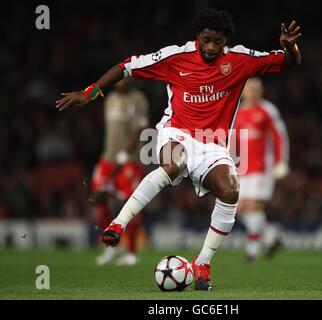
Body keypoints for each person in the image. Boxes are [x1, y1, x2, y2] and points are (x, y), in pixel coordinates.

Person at [56, 8, 301, 290]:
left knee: (231, 190)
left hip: (214, 144)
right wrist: (90, 93)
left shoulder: (240, 59)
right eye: (206, 39)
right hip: (176, 131)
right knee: (175, 162)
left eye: (217, 42)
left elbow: (288, 63)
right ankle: (118, 224)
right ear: (198, 36)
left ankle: (203, 263)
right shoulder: (175, 57)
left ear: (226, 41)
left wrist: (290, 47)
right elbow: (126, 66)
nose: (211, 46)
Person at [91, 78, 149, 266]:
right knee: (99, 197)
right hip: (107, 158)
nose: (120, 82)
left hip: (129, 161)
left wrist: (123, 156)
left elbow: (138, 130)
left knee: (129, 204)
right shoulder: (110, 100)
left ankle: (131, 251)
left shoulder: (138, 99)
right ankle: (110, 247)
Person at [234, 77, 289, 261]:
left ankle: (252, 251)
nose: (253, 92)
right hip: (244, 169)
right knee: (239, 208)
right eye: (249, 89)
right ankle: (272, 237)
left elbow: (280, 136)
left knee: (253, 206)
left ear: (261, 91)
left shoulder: (267, 110)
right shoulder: (239, 113)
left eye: (256, 89)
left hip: (263, 167)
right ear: (243, 92)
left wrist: (282, 161)